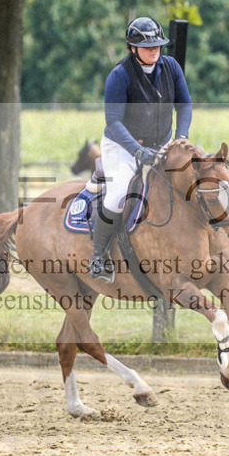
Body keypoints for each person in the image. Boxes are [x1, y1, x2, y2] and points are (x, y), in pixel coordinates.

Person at [89, 16, 192, 282]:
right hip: (122, 145)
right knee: (119, 194)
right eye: (148, 47)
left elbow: (184, 105)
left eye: (158, 45)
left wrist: (181, 137)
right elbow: (113, 121)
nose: (155, 50)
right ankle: (98, 257)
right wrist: (136, 150)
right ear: (132, 48)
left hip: (163, 143)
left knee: (192, 178)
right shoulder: (119, 75)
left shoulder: (171, 67)